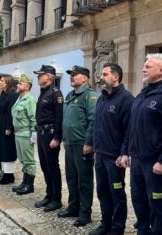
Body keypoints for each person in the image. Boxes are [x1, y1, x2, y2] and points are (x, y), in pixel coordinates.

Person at [120, 53, 162, 234]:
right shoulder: (142, 94)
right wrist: (125, 151)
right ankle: (143, 229)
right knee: (138, 198)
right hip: (137, 160)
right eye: (144, 66)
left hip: (154, 161)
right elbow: (131, 127)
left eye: (148, 66)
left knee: (156, 201)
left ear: (161, 70)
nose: (143, 69)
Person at [90, 63, 134, 235]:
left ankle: (118, 227)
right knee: (102, 191)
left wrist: (124, 153)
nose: (101, 77)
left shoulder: (126, 99)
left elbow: (129, 130)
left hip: (114, 158)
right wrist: (95, 148)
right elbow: (97, 126)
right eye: (102, 74)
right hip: (100, 155)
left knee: (116, 192)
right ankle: (105, 223)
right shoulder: (102, 98)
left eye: (105, 74)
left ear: (115, 77)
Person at [58, 65, 99, 227]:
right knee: (71, 178)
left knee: (84, 180)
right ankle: (73, 206)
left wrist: (89, 143)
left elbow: (93, 121)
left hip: (82, 144)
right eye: (71, 74)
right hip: (69, 143)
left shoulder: (90, 96)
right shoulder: (69, 95)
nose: (72, 77)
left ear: (85, 78)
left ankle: (85, 212)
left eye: (75, 75)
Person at [33, 65, 64, 212]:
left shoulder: (55, 93)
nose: (38, 77)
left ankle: (56, 199)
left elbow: (59, 117)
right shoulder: (43, 92)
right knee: (45, 167)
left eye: (41, 75)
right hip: (41, 134)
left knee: (52, 167)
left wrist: (57, 137)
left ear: (49, 77)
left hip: (50, 134)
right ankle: (49, 195)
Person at [11, 74, 37, 195]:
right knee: (22, 159)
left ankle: (29, 185)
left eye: (20, 84)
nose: (17, 85)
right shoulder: (19, 98)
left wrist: (34, 133)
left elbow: (34, 118)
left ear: (27, 87)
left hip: (26, 133)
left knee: (28, 160)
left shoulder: (30, 100)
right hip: (18, 132)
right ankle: (24, 182)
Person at [0, 74, 19, 184]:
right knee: (2, 150)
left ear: (8, 83)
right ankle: (5, 173)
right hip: (0, 123)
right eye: (0, 81)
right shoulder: (3, 93)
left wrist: (9, 127)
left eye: (2, 82)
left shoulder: (13, 95)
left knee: (7, 150)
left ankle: (9, 175)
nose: (0, 83)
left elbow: (11, 111)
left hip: (7, 124)